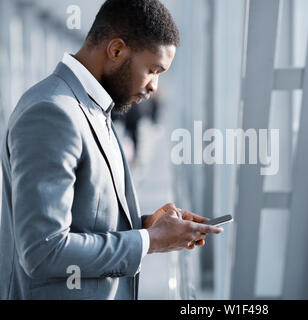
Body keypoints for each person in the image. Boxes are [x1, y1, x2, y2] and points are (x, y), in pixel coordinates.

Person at [0, 0, 223, 300]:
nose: (155, 86)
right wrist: (149, 241)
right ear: (116, 51)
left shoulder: (93, 108)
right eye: (153, 70)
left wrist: (145, 225)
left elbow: (82, 218)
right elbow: (43, 250)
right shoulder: (52, 112)